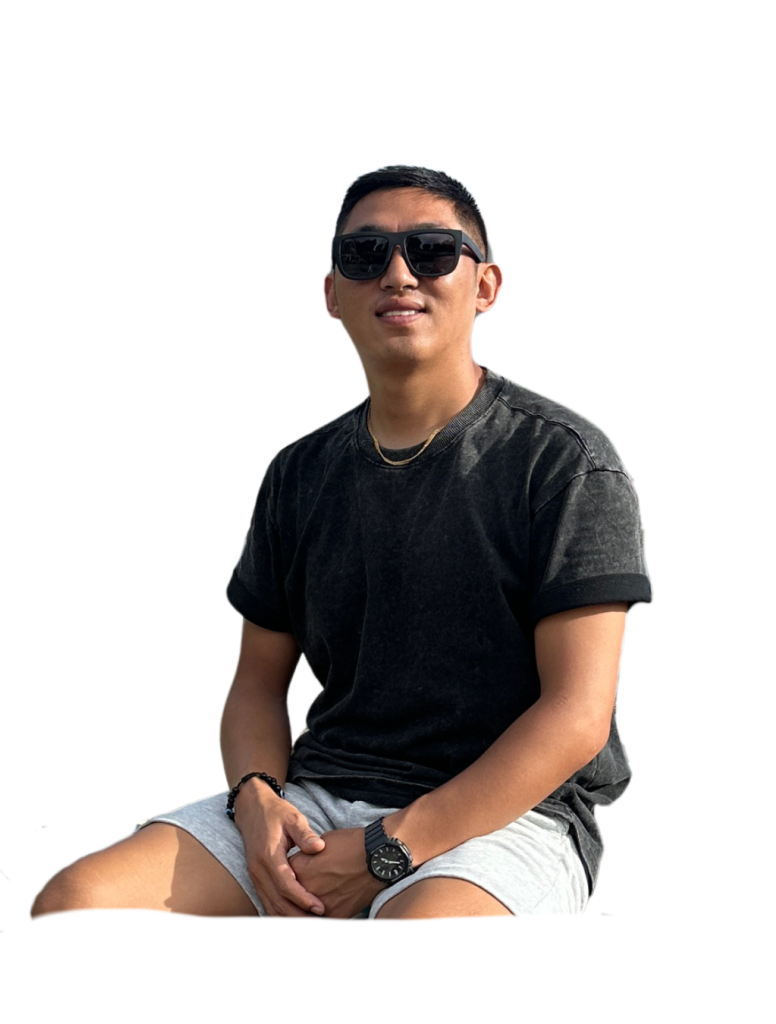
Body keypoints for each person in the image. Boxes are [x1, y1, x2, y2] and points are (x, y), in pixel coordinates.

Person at [32, 166, 651, 920]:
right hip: (317, 802)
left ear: (485, 285)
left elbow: (578, 715)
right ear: (332, 293)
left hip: (506, 817)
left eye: (432, 250)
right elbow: (258, 685)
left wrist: (392, 845)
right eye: (365, 255)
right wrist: (256, 799)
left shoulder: (562, 462)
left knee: (410, 962)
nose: (398, 273)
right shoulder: (299, 474)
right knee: (75, 909)